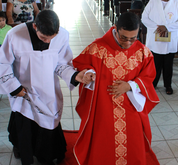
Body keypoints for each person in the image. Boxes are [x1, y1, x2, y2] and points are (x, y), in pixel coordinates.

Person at [61, 12, 160, 165]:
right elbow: (80, 64)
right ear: (116, 29)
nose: (128, 43)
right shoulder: (97, 47)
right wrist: (88, 73)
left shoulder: (142, 52)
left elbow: (148, 76)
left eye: (133, 38)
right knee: (103, 138)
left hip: (130, 104)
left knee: (133, 138)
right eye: (123, 38)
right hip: (104, 104)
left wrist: (131, 85)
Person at [0, 10, 87, 165]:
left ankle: (46, 155)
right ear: (35, 26)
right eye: (43, 38)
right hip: (23, 91)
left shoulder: (62, 36)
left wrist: (75, 76)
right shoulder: (15, 35)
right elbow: (3, 63)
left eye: (51, 38)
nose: (47, 42)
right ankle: (22, 150)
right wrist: (14, 87)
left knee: (48, 124)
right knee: (25, 124)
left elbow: (62, 64)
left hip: (48, 90)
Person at [141, 0, 178, 94]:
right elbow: (144, 18)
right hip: (155, 40)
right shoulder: (153, 2)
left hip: (170, 40)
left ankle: (168, 85)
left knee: (168, 65)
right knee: (155, 64)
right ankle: (153, 83)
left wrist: (167, 27)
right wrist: (158, 28)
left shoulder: (176, 3)